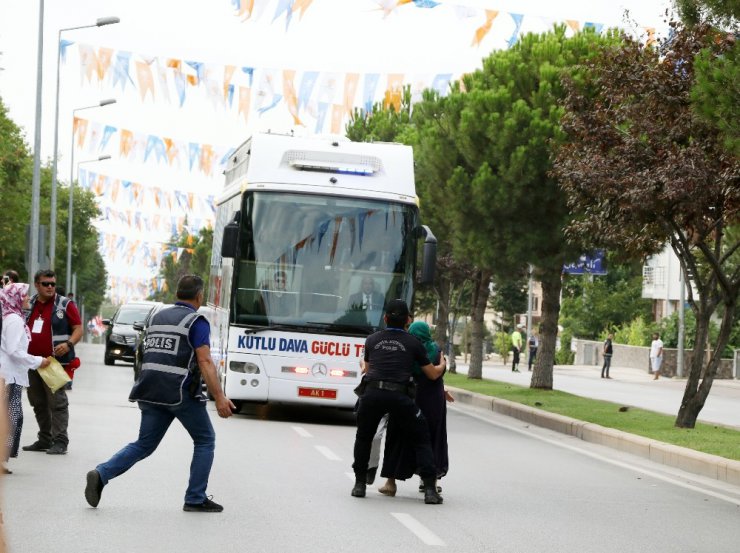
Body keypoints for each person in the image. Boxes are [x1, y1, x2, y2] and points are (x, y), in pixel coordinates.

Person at [84, 275, 236, 512]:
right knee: (205, 440)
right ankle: (195, 498)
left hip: (149, 390)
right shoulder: (196, 321)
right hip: (179, 392)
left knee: (144, 444)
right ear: (199, 296)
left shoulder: (157, 317)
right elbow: (205, 361)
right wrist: (219, 398)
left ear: (177, 294)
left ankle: (101, 474)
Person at [351, 299, 445, 504]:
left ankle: (359, 485)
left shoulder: (372, 340)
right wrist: (442, 365)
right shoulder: (413, 343)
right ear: (407, 321)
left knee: (364, 438)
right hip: (400, 397)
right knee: (422, 437)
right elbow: (431, 374)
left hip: (372, 394)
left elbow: (367, 369)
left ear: (385, 318)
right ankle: (430, 490)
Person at [377, 321, 451, 497]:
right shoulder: (436, 351)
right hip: (432, 402)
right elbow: (435, 374)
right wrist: (442, 368)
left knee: (397, 436)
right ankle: (430, 482)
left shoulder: (407, 348)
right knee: (431, 437)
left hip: (405, 397)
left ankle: (390, 482)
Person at [23, 270, 82, 455]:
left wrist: (69, 343)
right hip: (31, 362)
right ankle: (45, 439)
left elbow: (78, 328)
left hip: (52, 363)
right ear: (36, 285)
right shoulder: (28, 303)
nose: (50, 287)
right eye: (46, 283)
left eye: (53, 284)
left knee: (57, 402)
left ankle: (60, 441)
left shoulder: (65, 304)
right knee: (38, 402)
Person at [0, 282, 50, 473]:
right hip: (9, 376)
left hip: (12, 375)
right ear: (16, 298)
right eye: (25, 295)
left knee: (11, 417)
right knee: (11, 418)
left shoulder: (14, 317)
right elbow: (13, 350)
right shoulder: (13, 320)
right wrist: (37, 361)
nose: (29, 298)